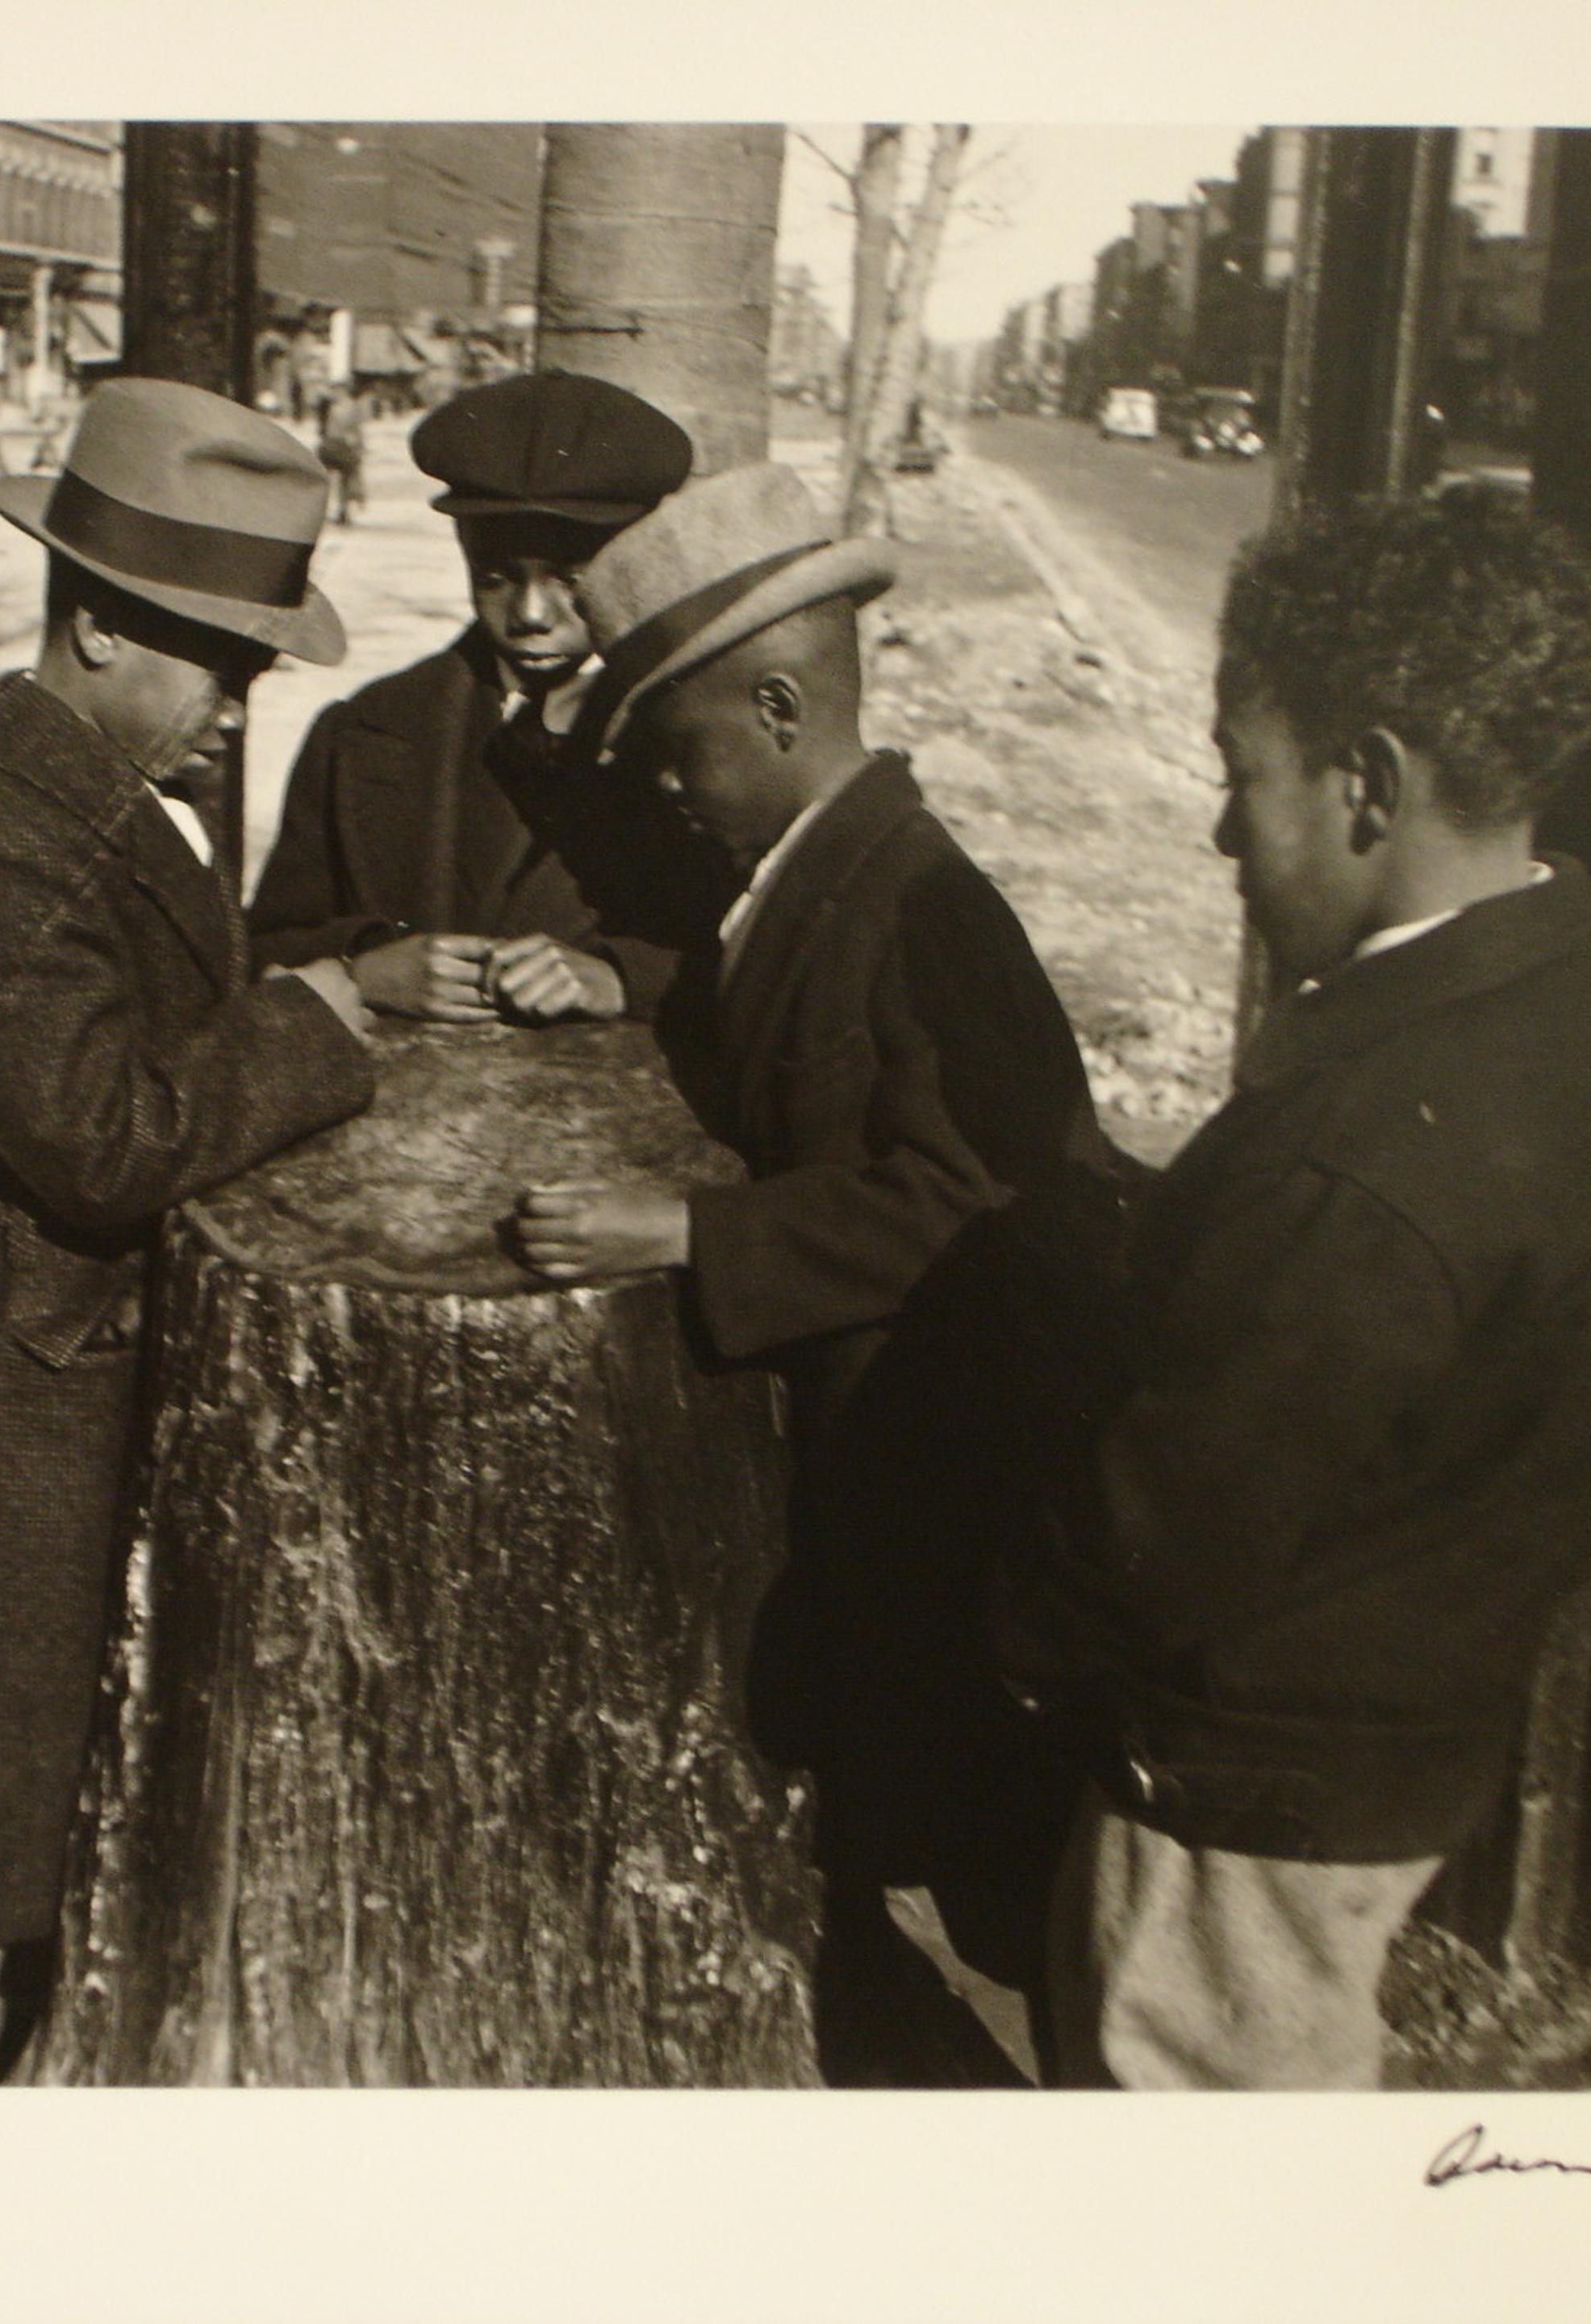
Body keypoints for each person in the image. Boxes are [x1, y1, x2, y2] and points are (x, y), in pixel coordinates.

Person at [0, 378, 379, 2085]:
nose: (243, 706)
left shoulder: (85, 807)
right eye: (220, 659)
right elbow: (105, 1142)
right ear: (97, 627)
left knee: (5, 1804)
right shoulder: (9, 851)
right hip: (6, 1394)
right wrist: (316, 1018)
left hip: (51, 1364)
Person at [1019, 492, 1591, 2090]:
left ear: (1366, 783)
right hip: (1401, 1745)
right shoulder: (1563, 1003)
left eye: (1244, 778)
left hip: (1242, 1797)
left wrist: (1010, 1630)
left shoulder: (1366, 1160)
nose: (1222, 832)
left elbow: (1165, 1529)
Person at [510, 461, 1128, 2077]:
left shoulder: (928, 908)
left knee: (996, 1890)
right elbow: (751, 1039)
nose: (666, 794)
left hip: (945, 1497)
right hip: (878, 1463)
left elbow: (977, 1193)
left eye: (678, 749)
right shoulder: (816, 875)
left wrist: (696, 1235)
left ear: (780, 705)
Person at [249, 370, 726, 1030]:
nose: (531, 615)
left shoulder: (696, 734)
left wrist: (620, 977)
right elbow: (265, 946)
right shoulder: (362, 731)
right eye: (495, 578)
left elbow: (758, 957)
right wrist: (362, 967)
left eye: (571, 579)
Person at [316, 382, 367, 525]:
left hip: (342, 446)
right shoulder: (333, 406)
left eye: (337, 390)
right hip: (333, 445)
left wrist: (358, 446)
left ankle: (342, 511)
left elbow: (356, 429)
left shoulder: (345, 407)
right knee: (338, 480)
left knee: (344, 480)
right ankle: (340, 511)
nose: (335, 393)